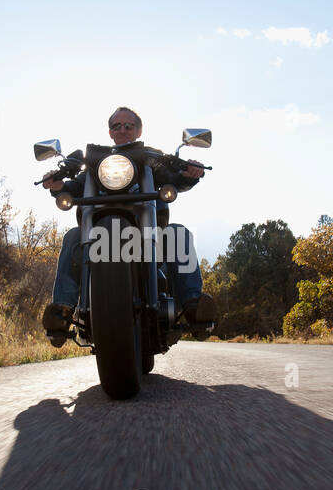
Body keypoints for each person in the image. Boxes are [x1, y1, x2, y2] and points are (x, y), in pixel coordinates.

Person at [40, 106, 217, 345]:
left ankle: (194, 307)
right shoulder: (97, 164)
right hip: (98, 234)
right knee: (72, 236)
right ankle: (62, 311)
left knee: (178, 234)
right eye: (116, 126)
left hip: (151, 235)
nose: (122, 130)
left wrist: (189, 173)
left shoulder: (151, 160)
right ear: (110, 132)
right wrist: (58, 185)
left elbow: (173, 178)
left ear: (139, 130)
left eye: (128, 125)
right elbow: (75, 186)